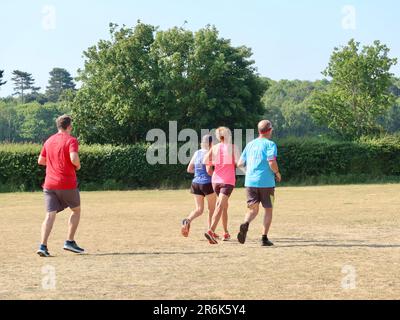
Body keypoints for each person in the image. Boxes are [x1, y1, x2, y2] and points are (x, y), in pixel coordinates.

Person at [36, 115, 85, 257]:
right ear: (69, 126)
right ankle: (69, 242)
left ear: (58, 126)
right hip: (67, 183)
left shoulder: (49, 141)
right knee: (76, 210)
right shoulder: (71, 140)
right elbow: (74, 158)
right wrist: (78, 165)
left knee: (49, 215)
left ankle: (43, 246)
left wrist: (54, 163)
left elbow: (41, 160)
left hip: (49, 184)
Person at [237, 120, 281, 247]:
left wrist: (248, 173)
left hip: (250, 182)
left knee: (253, 210)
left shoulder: (250, 144)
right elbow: (271, 162)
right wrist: (277, 173)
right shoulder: (270, 144)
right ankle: (264, 238)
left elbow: (239, 163)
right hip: (267, 183)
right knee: (268, 209)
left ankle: (245, 223)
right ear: (270, 130)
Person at [204, 127, 240, 244]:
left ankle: (225, 232)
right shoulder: (233, 148)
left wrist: (214, 163)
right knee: (220, 205)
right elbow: (239, 163)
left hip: (215, 181)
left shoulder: (214, 148)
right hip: (227, 181)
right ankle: (211, 231)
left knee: (224, 205)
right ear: (228, 135)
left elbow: (205, 160)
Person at [181, 135, 217, 237]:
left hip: (196, 183)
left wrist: (199, 174)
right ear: (211, 143)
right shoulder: (211, 153)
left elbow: (189, 169)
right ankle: (211, 232)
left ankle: (187, 220)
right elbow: (210, 171)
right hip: (208, 183)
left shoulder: (197, 153)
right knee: (212, 210)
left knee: (199, 210)